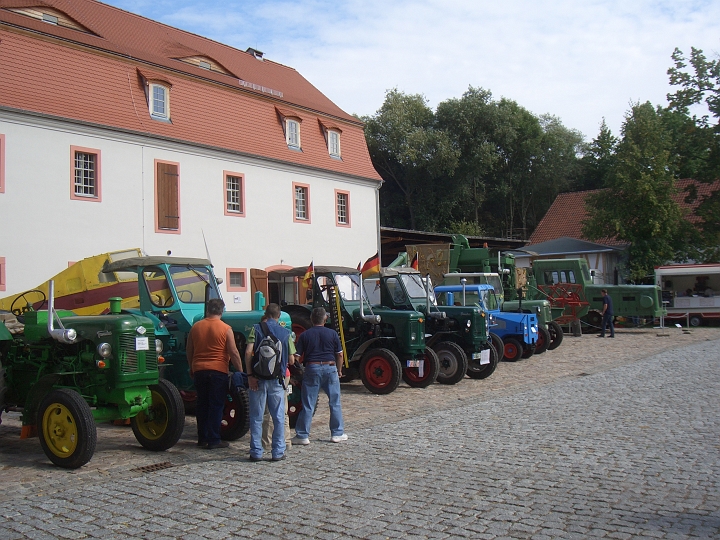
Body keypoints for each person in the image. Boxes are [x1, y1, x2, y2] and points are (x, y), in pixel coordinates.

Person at [186, 298, 243, 449]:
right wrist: (241, 371)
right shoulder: (225, 329)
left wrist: (192, 367)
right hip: (218, 370)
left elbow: (189, 350)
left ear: (208, 310)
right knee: (216, 405)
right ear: (221, 311)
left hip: (199, 369)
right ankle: (213, 439)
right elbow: (233, 352)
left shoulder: (196, 327)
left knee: (202, 405)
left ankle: (202, 437)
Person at [245, 304, 295, 462]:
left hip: (258, 379)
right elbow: (292, 359)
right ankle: (278, 451)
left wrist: (250, 375)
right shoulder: (286, 332)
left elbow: (248, 352)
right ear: (279, 316)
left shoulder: (256, 328)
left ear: (266, 314)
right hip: (276, 380)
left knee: (256, 416)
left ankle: (256, 452)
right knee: (278, 416)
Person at [292, 307, 347, 445]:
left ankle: (303, 435)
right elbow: (340, 354)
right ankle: (337, 433)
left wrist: (297, 372)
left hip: (312, 367)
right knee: (335, 402)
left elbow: (297, 357)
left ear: (311, 319)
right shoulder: (332, 333)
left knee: (308, 403)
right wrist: (339, 370)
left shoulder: (305, 335)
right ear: (325, 319)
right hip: (330, 367)